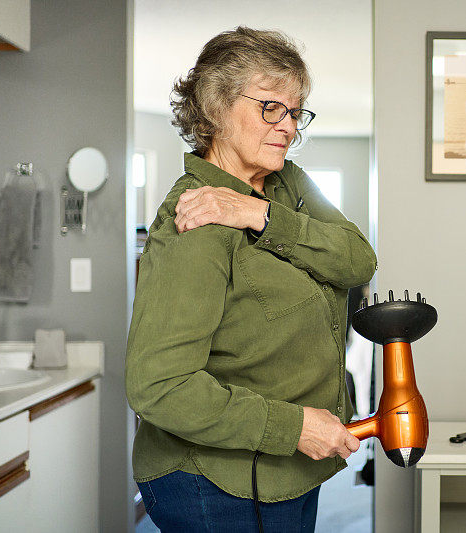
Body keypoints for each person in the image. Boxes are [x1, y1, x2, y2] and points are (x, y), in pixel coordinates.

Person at [125, 27, 377, 532]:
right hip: (217, 481)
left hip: (289, 471)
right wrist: (295, 427)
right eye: (270, 108)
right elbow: (158, 385)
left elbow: (357, 260)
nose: (287, 125)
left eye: (295, 112)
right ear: (216, 107)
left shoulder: (288, 184)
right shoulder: (194, 223)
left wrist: (257, 213)